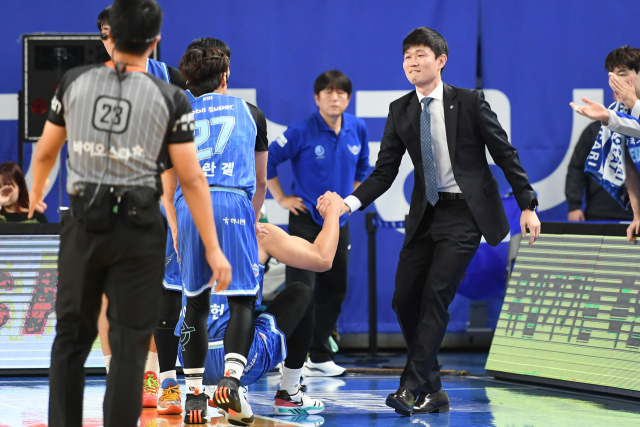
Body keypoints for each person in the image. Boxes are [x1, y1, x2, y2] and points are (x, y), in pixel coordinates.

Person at [27, 1, 231, 426]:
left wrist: (33, 195)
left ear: (110, 37)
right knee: (130, 345)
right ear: (155, 42)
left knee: (69, 339)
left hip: (84, 223)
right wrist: (213, 248)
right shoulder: (171, 95)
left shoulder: (74, 82)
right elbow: (191, 179)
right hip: (140, 229)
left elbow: (46, 153)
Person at [321, 27, 540, 416]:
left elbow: (505, 153)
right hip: (426, 214)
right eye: (407, 56)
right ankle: (435, 389)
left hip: (466, 213)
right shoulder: (400, 110)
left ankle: (409, 386)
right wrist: (347, 204)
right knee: (404, 299)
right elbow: (383, 172)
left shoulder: (470, 102)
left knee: (437, 292)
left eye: (420, 54)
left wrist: (527, 203)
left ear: (441, 61)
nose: (412, 62)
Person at [161, 44, 268, 424]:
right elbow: (259, 182)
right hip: (232, 201)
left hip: (190, 206)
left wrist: (175, 226)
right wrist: (248, 221)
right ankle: (232, 381)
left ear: (188, 80)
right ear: (225, 76)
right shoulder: (251, 113)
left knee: (195, 304)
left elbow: (168, 184)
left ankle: (192, 396)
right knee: (241, 299)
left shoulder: (176, 114)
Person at [94, 5, 188, 411]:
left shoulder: (171, 79)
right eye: (105, 33)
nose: (112, 39)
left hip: (159, 198)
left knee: (155, 293)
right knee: (107, 296)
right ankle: (119, 373)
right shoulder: (94, 80)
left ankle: (153, 376)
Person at [180, 191, 344, 425]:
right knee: (301, 293)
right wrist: (333, 213)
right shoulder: (259, 232)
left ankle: (192, 389)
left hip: (190, 360)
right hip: (243, 359)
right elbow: (323, 258)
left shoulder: (182, 227)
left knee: (194, 306)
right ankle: (288, 394)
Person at [267, 70, 370, 377]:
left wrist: (346, 203)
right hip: (304, 220)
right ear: (317, 98)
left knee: (335, 287)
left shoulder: (358, 129)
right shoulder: (301, 130)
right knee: (300, 290)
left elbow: (364, 169)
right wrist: (283, 199)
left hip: (337, 221)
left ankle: (320, 354)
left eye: (340, 92)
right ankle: (285, 355)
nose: (334, 97)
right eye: (327, 92)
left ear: (348, 98)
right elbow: (269, 159)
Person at [565, 121, 633, 221]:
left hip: (635, 216)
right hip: (598, 212)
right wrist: (574, 206)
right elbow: (577, 168)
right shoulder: (595, 129)